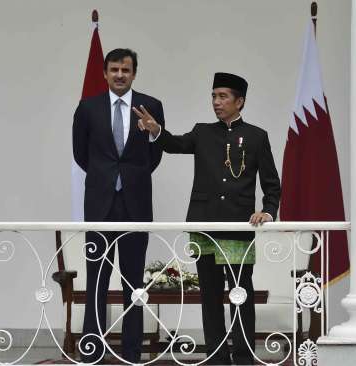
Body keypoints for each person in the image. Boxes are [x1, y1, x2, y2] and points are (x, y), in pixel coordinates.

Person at [134, 72, 281, 365]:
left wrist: (267, 210)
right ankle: (216, 356)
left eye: (223, 96)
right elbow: (175, 144)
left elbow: (271, 183)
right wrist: (156, 130)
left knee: (241, 294)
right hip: (204, 225)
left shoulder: (256, 136)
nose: (216, 102)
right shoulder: (202, 132)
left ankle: (243, 356)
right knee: (210, 295)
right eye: (213, 96)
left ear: (240, 101)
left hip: (239, 226)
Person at [72, 48, 165, 363]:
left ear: (134, 73)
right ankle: (92, 351)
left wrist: (130, 177)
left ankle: (132, 353)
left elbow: (155, 154)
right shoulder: (88, 108)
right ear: (105, 73)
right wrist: (107, 178)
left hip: (135, 205)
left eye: (125, 70)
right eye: (114, 70)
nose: (120, 75)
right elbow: (81, 155)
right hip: (99, 205)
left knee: (133, 283)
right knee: (96, 279)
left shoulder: (150, 106)